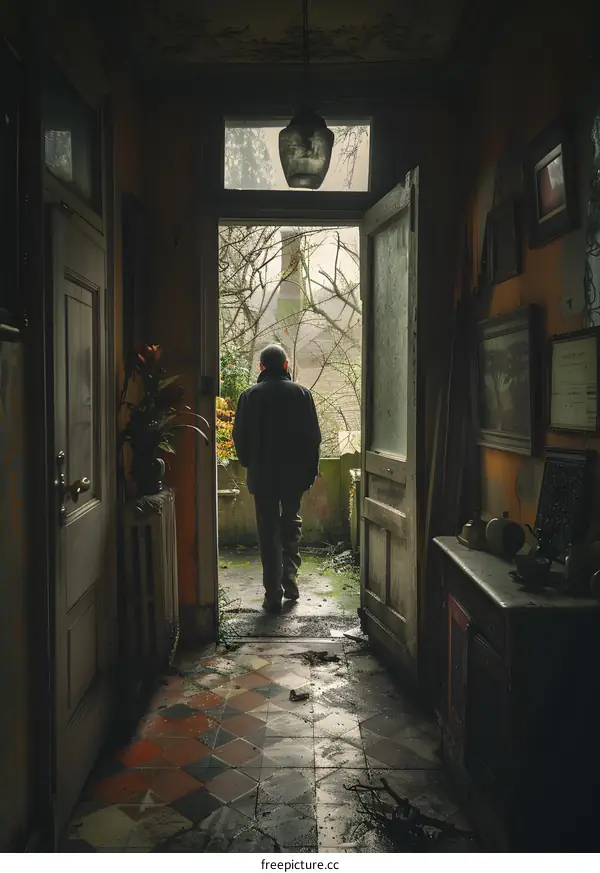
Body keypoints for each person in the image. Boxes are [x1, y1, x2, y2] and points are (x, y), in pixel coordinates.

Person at [232, 343, 321, 613]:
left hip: (263, 474)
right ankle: (290, 580)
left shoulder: (249, 396)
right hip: (293, 475)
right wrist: (309, 471)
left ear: (261, 367)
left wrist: (249, 463)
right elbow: (313, 438)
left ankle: (272, 593)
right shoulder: (302, 395)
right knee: (291, 522)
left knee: (267, 530)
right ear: (286, 365)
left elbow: (239, 436)